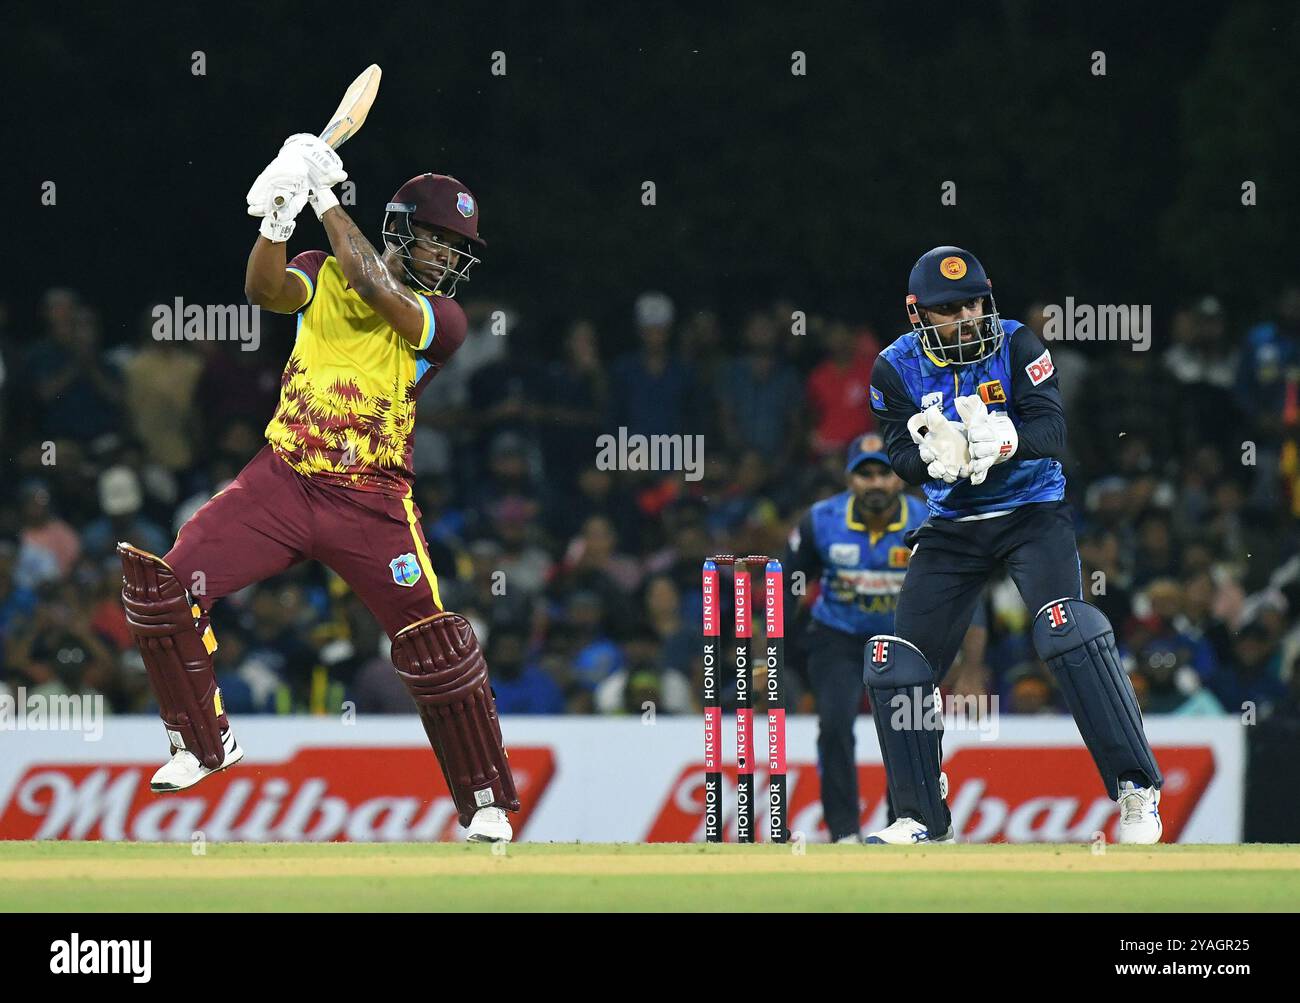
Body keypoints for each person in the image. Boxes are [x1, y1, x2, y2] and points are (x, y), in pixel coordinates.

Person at [116, 134, 518, 842]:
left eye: (460, 249)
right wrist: (277, 216)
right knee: (164, 584)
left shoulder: (444, 321)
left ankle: (484, 797)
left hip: (372, 502)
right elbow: (262, 290)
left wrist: (324, 194)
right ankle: (200, 743)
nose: (451, 259)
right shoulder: (320, 270)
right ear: (400, 228)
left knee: (435, 644)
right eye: (440, 242)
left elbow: (378, 289)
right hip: (283, 479)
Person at [864, 246, 1163, 845]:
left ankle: (1137, 790)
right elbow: (897, 455)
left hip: (1031, 512)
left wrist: (1005, 441)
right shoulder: (893, 369)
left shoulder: (1019, 344)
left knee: (1066, 628)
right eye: (948, 309)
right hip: (953, 525)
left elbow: (1052, 431)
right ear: (917, 313)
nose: (965, 317)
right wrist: (931, 459)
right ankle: (920, 815)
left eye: (972, 302)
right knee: (896, 661)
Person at [785, 432, 927, 842]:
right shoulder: (820, 520)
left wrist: (969, 662)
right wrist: (769, 652)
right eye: (865, 475)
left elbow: (958, 589)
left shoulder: (926, 520)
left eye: (884, 472)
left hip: (903, 642)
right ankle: (844, 832)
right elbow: (790, 583)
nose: (876, 483)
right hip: (837, 639)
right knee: (834, 726)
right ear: (850, 481)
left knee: (906, 732)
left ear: (899, 478)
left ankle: (900, 821)